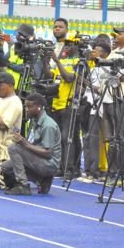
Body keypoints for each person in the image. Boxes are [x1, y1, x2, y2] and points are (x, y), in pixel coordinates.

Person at [1, 93, 61, 195]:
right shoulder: (34, 120)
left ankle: (23, 186)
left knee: (13, 148)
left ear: (39, 107)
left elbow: (48, 152)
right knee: (6, 167)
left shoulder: (48, 125)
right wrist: (22, 141)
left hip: (49, 163)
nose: (26, 109)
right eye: (25, 106)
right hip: (39, 159)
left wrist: (24, 144)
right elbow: (34, 144)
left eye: (30, 106)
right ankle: (42, 180)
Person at [100, 26, 124, 187]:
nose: (116, 36)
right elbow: (105, 73)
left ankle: (121, 175)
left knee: (120, 138)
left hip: (121, 99)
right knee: (111, 138)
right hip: (108, 98)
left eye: (120, 33)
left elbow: (121, 77)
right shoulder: (115, 52)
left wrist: (110, 73)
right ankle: (112, 172)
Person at [44, 37, 80, 179]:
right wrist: (46, 61)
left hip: (68, 104)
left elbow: (69, 78)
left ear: (76, 47)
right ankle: (59, 167)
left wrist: (57, 61)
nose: (66, 47)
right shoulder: (63, 61)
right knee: (58, 139)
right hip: (56, 103)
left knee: (67, 138)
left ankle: (69, 169)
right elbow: (49, 76)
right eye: (65, 44)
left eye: (70, 45)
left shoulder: (78, 62)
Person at [77, 42, 111, 184]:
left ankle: (94, 171)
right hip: (87, 105)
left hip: (97, 107)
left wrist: (85, 82)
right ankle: (87, 170)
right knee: (86, 138)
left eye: (96, 51)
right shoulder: (92, 68)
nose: (93, 53)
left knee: (93, 139)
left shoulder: (106, 69)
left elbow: (103, 90)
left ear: (103, 54)